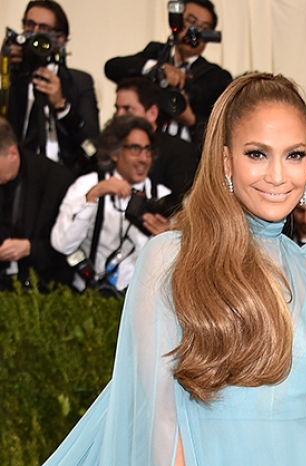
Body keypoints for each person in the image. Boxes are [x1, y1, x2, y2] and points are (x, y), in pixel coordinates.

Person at [43, 72, 306, 466]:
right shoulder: (170, 258)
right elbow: (161, 422)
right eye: (257, 154)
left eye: (294, 155)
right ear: (225, 160)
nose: (277, 175)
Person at [50, 115, 171, 294]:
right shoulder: (87, 185)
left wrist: (169, 240)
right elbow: (62, 244)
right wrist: (93, 196)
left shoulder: (164, 197)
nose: (144, 158)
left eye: (147, 150)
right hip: (88, 297)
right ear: (115, 153)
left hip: (140, 299)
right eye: (135, 149)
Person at [104, 0, 232, 147]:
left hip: (186, 152)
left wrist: (190, 119)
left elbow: (219, 133)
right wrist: (158, 68)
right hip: (143, 146)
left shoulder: (216, 76)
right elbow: (112, 68)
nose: (194, 31)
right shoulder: (156, 52)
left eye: (204, 28)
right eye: (191, 21)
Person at [3, 0, 100, 174]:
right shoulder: (11, 76)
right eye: (29, 25)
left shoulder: (79, 82)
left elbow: (92, 143)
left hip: (62, 174)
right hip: (16, 174)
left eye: (44, 28)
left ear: (60, 39)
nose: (34, 34)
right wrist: (3, 67)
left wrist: (62, 106)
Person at [0, 116, 73, 290]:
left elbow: (69, 246)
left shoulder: (56, 181)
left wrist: (30, 248)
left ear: (12, 153)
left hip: (44, 286)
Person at [114, 77, 199, 204]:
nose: (119, 115)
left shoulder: (179, 152)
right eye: (117, 108)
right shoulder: (111, 147)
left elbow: (181, 204)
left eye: (128, 109)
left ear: (152, 113)